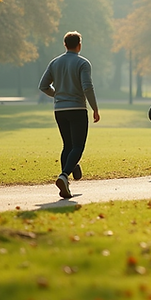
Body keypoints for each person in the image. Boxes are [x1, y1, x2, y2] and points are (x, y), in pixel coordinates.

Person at [39, 31, 101, 199]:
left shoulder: (54, 63)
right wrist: (94, 108)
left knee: (67, 145)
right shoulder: (83, 63)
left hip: (60, 110)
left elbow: (43, 86)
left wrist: (58, 95)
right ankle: (64, 175)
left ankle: (66, 179)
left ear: (65, 45)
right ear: (79, 45)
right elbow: (87, 86)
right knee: (78, 146)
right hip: (77, 109)